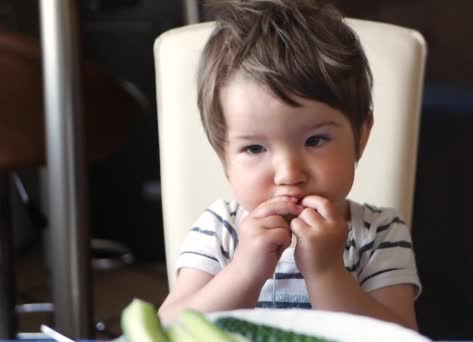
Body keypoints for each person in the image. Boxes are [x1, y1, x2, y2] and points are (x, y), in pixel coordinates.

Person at [158, 0, 421, 330]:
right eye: (255, 148)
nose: (289, 174)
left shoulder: (379, 233)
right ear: (222, 156)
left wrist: (327, 273)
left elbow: (399, 337)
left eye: (315, 141)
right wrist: (245, 270)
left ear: (361, 136)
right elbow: (168, 328)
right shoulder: (220, 229)